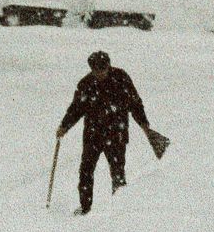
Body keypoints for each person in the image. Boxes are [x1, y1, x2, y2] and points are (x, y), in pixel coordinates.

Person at [57, 50, 160, 213]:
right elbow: (76, 109)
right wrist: (64, 126)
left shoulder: (121, 78)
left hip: (116, 134)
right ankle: (85, 207)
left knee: (117, 171)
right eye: (96, 70)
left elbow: (135, 104)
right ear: (91, 69)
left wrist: (144, 125)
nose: (100, 73)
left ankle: (119, 207)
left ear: (108, 66)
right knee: (86, 171)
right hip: (93, 135)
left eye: (103, 69)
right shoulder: (86, 84)